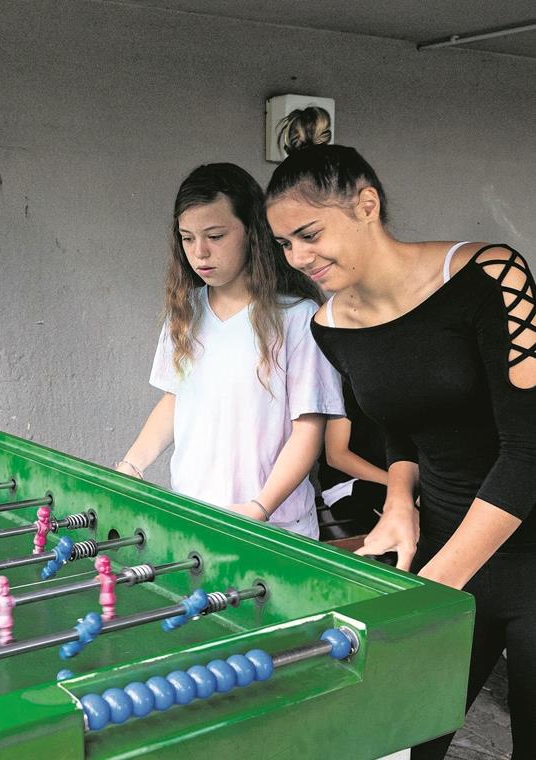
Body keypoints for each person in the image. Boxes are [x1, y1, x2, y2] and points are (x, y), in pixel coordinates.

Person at [265, 106, 536, 758]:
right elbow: (400, 433)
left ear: (365, 203)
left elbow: (528, 450)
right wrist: (398, 501)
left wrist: (433, 589)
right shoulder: (330, 327)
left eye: (308, 234)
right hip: (437, 545)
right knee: (408, 740)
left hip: (526, 559)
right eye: (284, 246)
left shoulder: (492, 275)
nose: (299, 259)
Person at [116, 163, 342, 538]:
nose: (200, 252)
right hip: (193, 516)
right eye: (187, 239)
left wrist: (260, 507)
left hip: (275, 528)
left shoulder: (298, 318)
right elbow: (175, 400)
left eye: (215, 235)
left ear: (253, 232)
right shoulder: (185, 310)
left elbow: (308, 428)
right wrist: (131, 466)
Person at [317, 381, 387, 542]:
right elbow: (336, 457)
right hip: (347, 487)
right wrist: (399, 483)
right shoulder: (345, 389)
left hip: (399, 483)